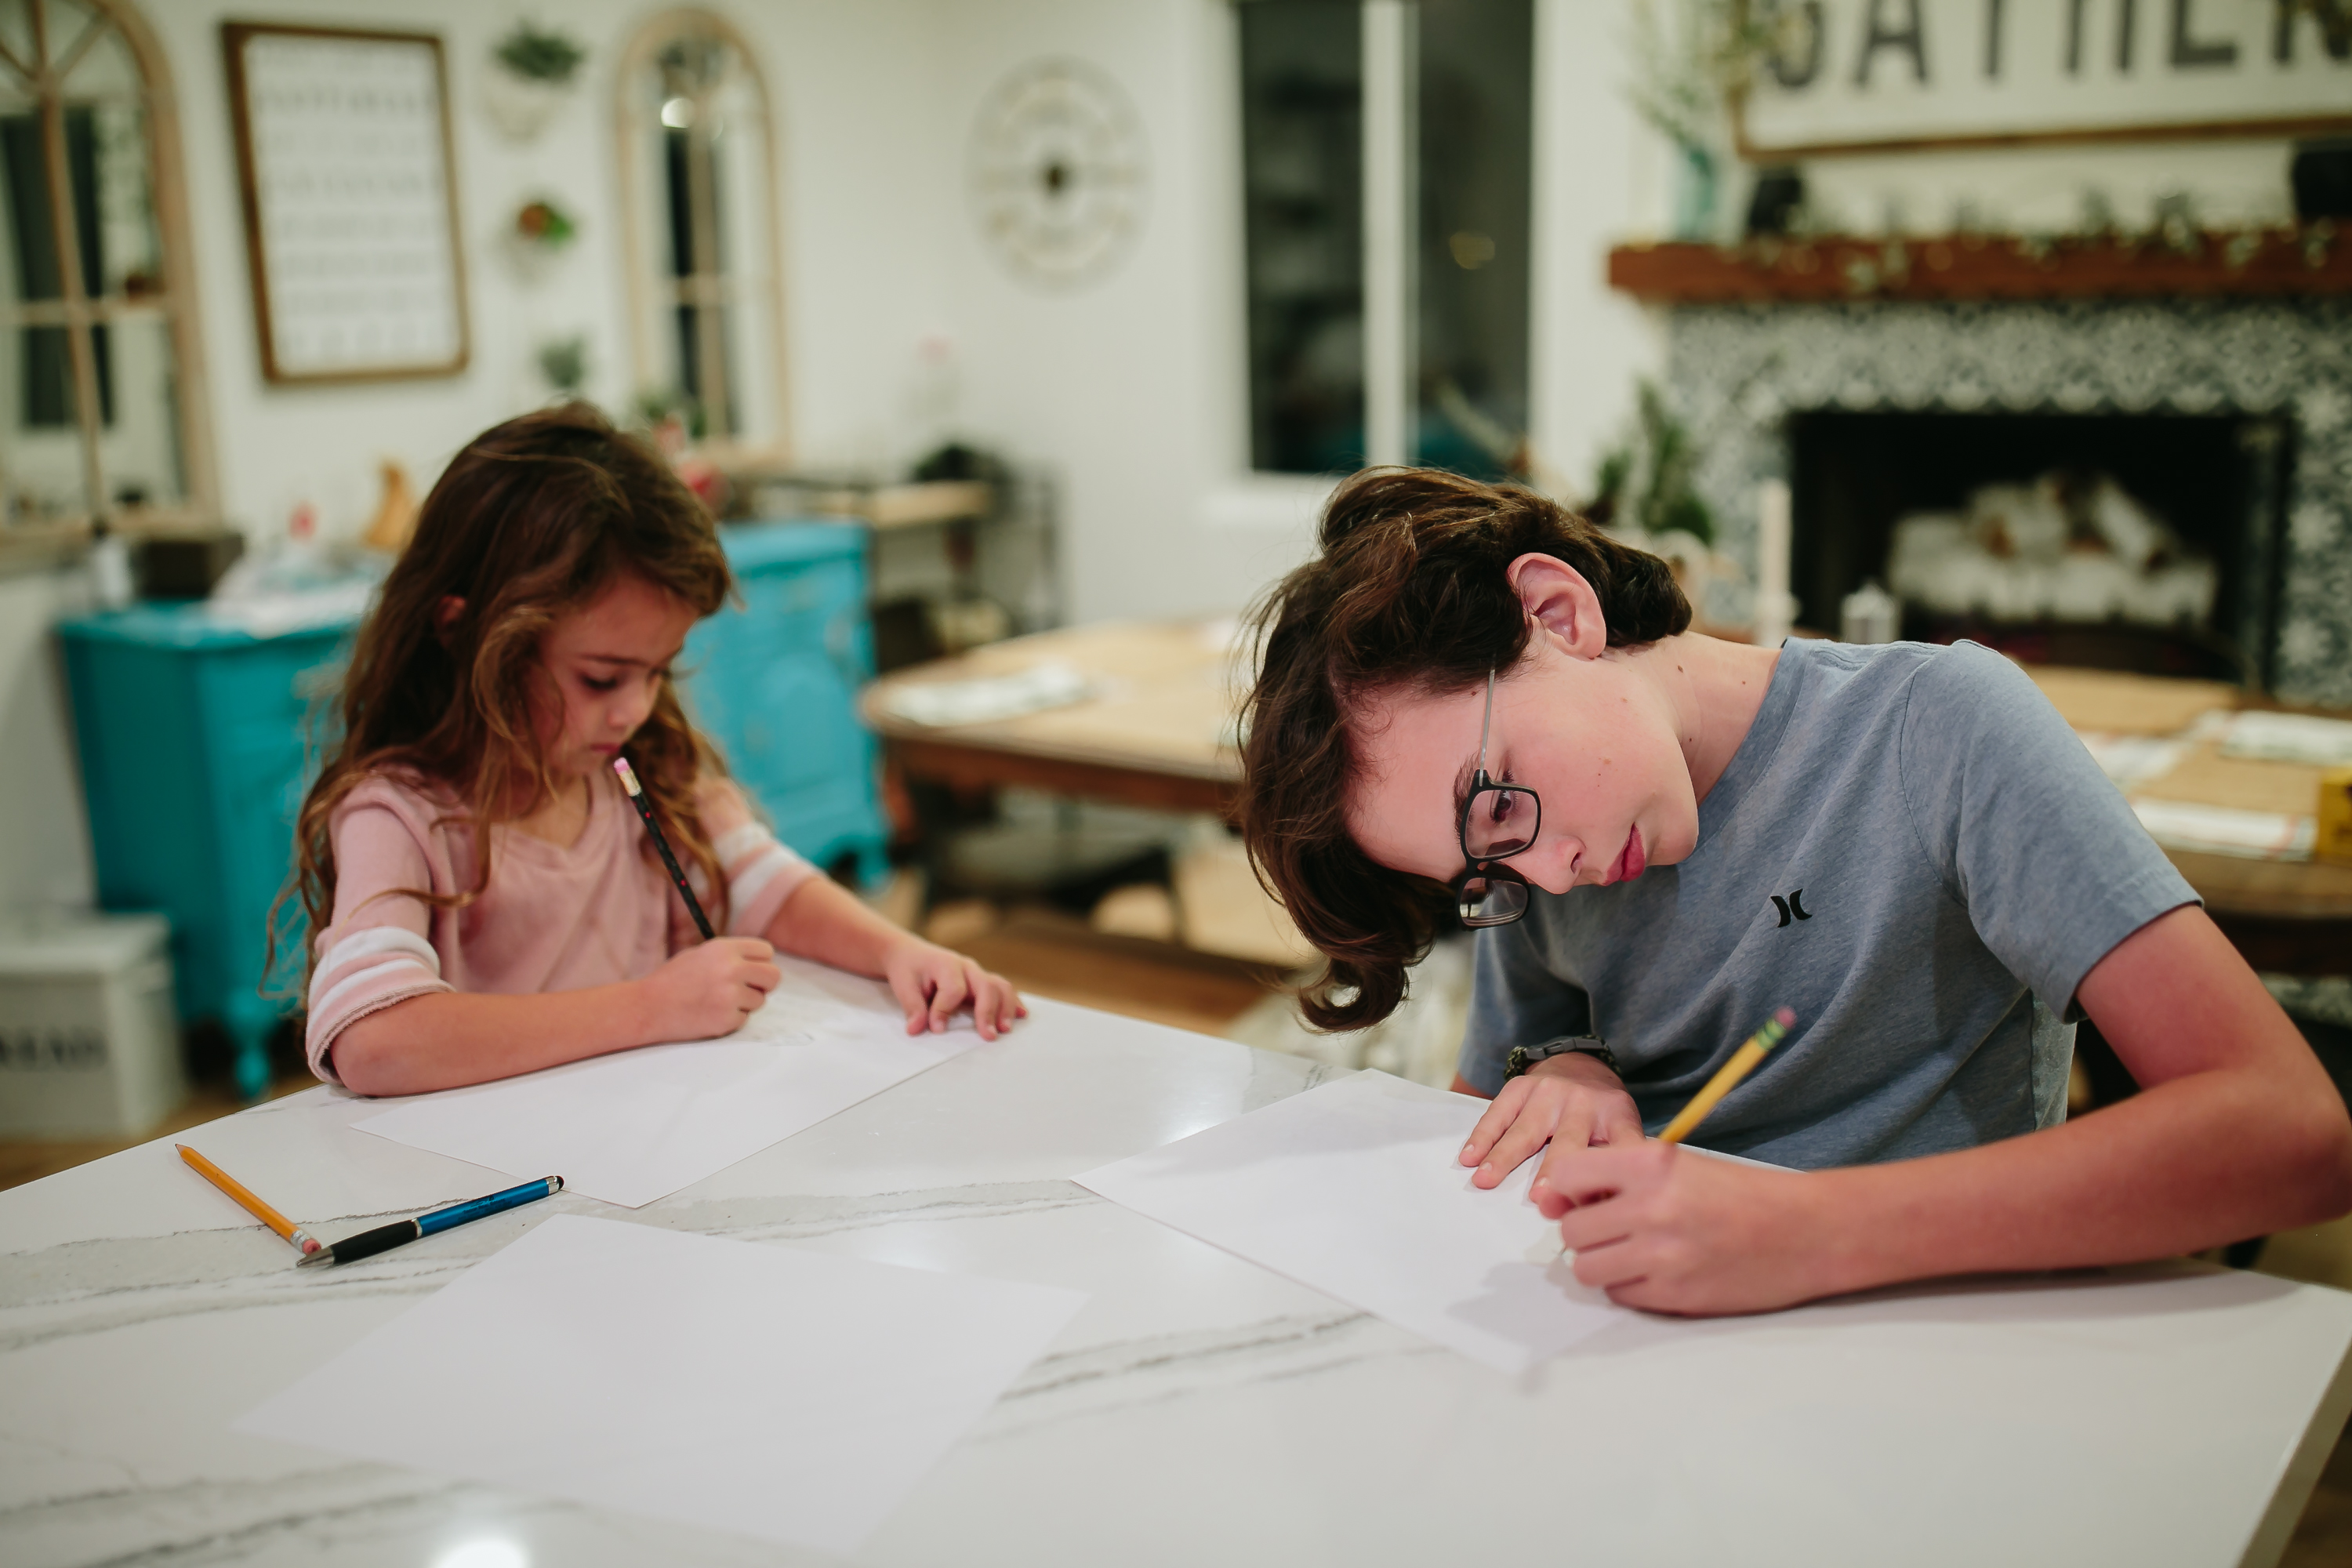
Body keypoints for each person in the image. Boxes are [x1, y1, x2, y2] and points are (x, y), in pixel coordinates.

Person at [1240, 466, 2352, 1316]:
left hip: (1938, 1358)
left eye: (1499, 808)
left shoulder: (1938, 731)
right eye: (1481, 874)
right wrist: (1561, 1070)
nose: (1542, 875)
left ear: (1559, 617)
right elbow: (1487, 1122)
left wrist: (1812, 1230)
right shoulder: (1547, 850)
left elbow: (2293, 1133)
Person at [290, 404, 1022, 1097]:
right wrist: (651, 1008)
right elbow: (373, 1038)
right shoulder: (401, 816)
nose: (637, 709)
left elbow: (770, 887)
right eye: (602, 677)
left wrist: (901, 953)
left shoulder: (645, 772)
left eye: (658, 671)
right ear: (463, 633)